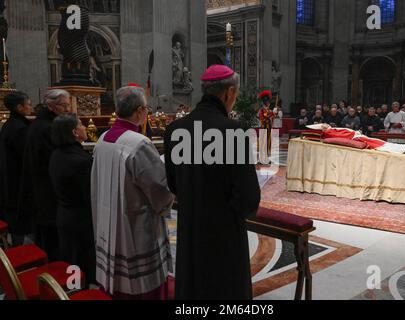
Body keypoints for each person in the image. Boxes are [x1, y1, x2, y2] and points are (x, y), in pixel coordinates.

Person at [164, 65, 261, 300]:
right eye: (235, 95)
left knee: (194, 287)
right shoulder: (232, 131)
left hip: (190, 227)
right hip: (224, 231)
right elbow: (248, 197)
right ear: (228, 92)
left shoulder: (175, 129)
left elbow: (174, 185)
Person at [91, 85, 174, 300]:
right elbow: (159, 188)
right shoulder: (138, 143)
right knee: (140, 284)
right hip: (135, 227)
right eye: (146, 109)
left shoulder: (102, 139)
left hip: (107, 223)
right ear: (139, 111)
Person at [19, 89, 71, 261]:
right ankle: (53, 275)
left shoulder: (40, 123)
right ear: (51, 105)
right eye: (64, 105)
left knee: (44, 235)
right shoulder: (48, 127)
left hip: (40, 188)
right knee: (51, 240)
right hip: (46, 190)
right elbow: (55, 160)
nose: (68, 109)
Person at [49, 114, 96, 284]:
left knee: (72, 259)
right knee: (81, 262)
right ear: (75, 132)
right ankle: (80, 292)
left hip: (65, 214)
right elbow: (90, 194)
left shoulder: (57, 153)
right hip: (80, 219)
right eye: (81, 124)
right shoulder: (80, 161)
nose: (85, 127)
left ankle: (74, 289)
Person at [0, 92, 33, 246]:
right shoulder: (20, 128)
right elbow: (26, 156)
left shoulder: (9, 124)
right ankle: (19, 249)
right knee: (19, 218)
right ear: (19, 107)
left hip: (9, 176)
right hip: (18, 179)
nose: (31, 107)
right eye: (29, 104)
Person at [308, 124, 405, 154]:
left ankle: (403, 147)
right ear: (322, 129)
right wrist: (355, 134)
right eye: (323, 126)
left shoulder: (331, 129)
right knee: (378, 145)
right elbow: (342, 136)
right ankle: (402, 149)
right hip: (356, 138)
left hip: (357, 135)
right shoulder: (329, 132)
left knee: (380, 142)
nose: (325, 125)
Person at [258, 90, 275, 163]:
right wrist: (272, 113)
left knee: (268, 144)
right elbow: (264, 118)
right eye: (267, 102)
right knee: (263, 143)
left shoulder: (269, 111)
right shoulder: (261, 111)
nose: (268, 104)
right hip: (264, 129)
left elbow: (271, 118)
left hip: (269, 129)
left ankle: (267, 158)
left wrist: (273, 114)